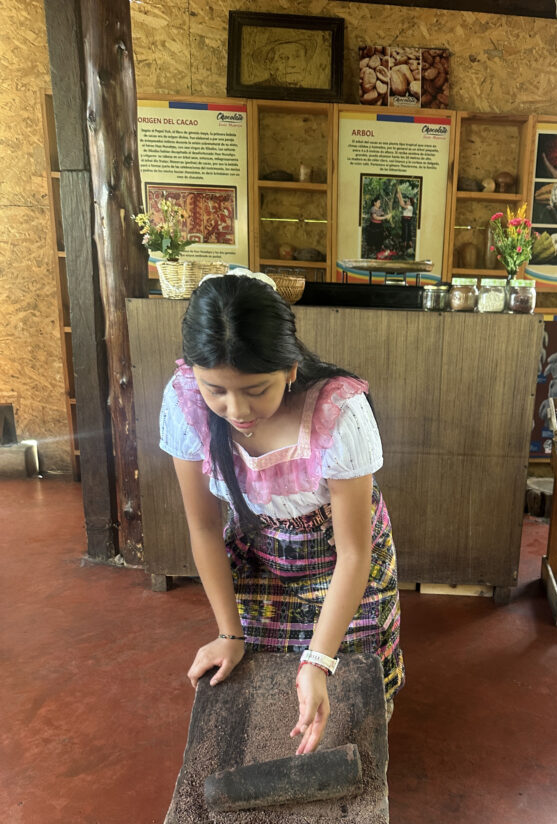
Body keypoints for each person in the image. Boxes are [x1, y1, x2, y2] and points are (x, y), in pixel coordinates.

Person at [159, 270, 404, 754]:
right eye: (216, 390)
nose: (235, 409)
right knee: (261, 680)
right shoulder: (185, 401)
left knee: (348, 692)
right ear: (194, 373)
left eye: (255, 390)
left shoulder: (339, 413)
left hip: (340, 557)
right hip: (260, 554)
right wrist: (229, 632)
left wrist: (318, 659)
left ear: (290, 368)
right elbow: (205, 528)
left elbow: (354, 554)